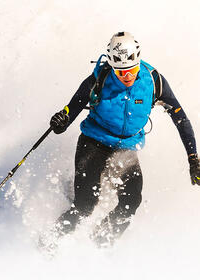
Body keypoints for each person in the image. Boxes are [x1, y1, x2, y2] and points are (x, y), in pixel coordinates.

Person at [49, 31, 200, 247]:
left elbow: (181, 118)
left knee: (131, 202)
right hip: (94, 143)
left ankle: (99, 245)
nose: (127, 76)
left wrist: (193, 159)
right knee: (85, 205)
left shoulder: (153, 81)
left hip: (126, 150)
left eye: (131, 70)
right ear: (112, 66)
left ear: (138, 62)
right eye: (120, 72)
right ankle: (48, 243)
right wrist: (60, 120)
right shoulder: (98, 80)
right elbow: (69, 113)